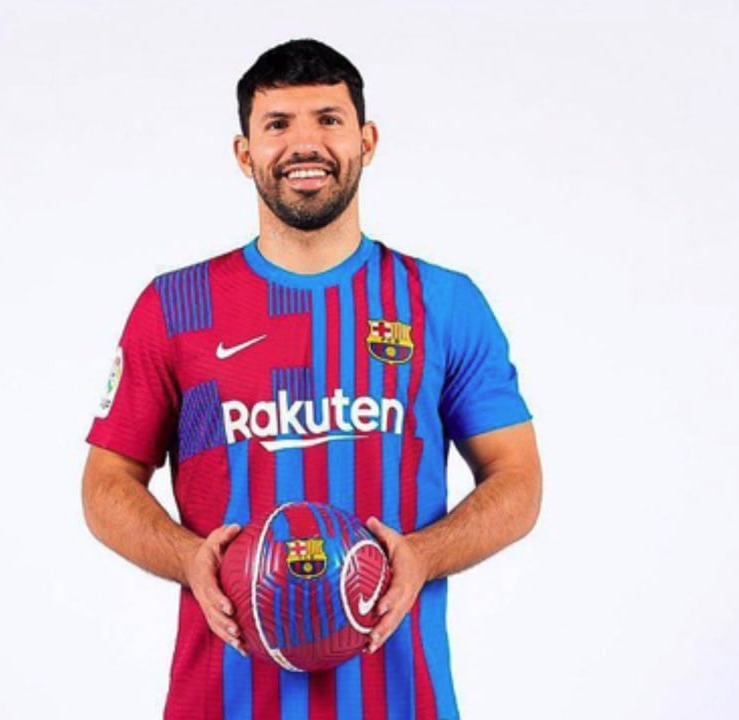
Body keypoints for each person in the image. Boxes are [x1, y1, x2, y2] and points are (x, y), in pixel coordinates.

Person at [81, 38, 543, 720]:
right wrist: (187, 558)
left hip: (399, 702)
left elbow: (518, 479)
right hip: (222, 701)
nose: (305, 144)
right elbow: (105, 483)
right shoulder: (174, 307)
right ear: (245, 153)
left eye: (328, 119)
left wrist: (423, 554)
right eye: (278, 124)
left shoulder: (443, 303)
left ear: (367, 140)